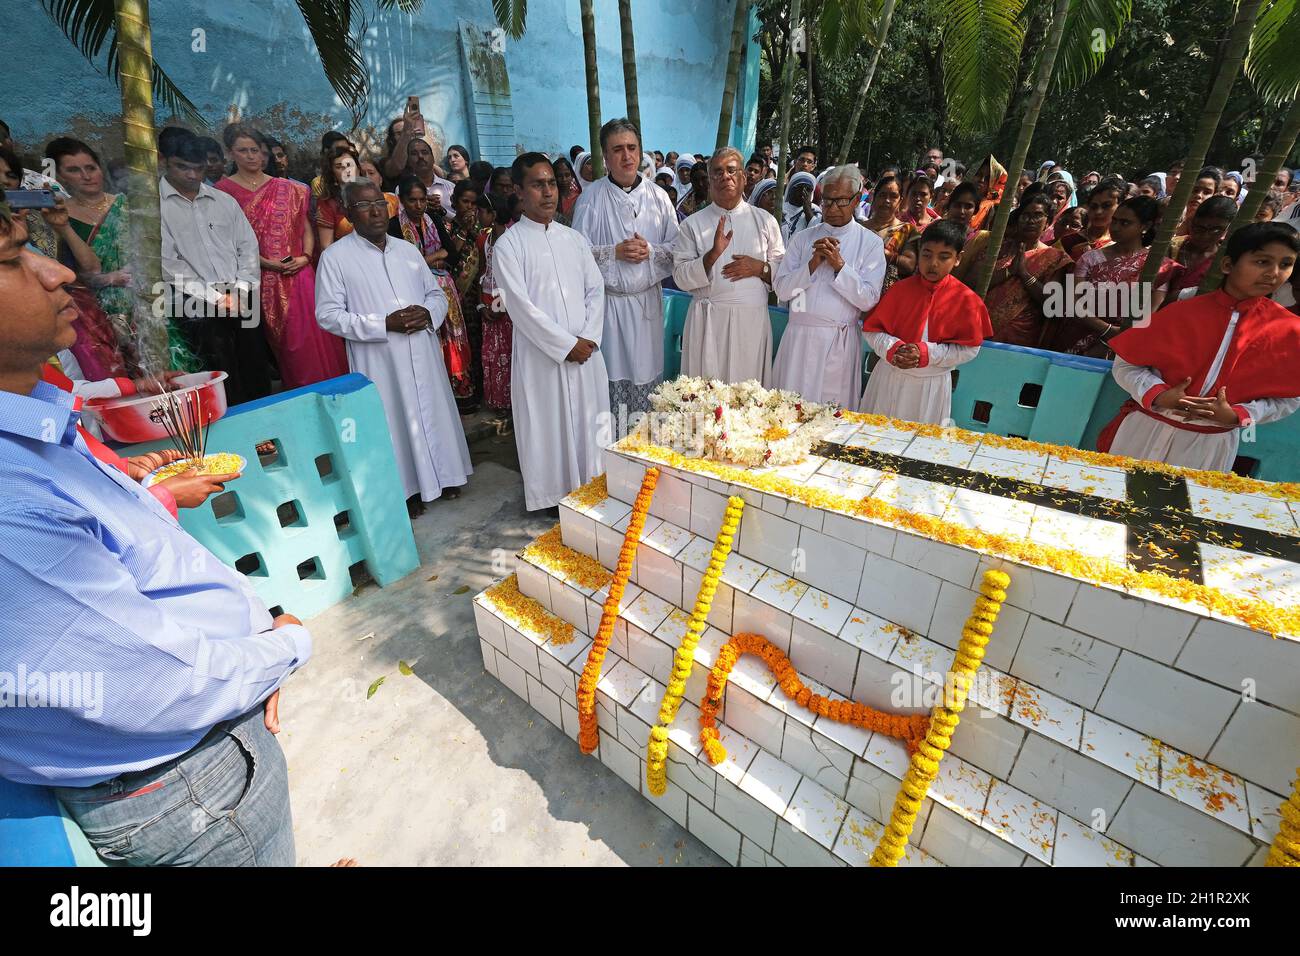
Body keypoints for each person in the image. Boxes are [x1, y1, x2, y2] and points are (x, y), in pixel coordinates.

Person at [0, 198, 316, 867]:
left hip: (198, 752)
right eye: (12, 259)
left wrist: (149, 494)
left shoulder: (31, 416)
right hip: (184, 783)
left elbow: (97, 556)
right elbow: (155, 680)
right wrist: (283, 644)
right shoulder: (8, 499)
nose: (56, 275)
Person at [316, 181, 472, 512]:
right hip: (379, 356)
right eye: (363, 206)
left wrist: (428, 313)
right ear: (348, 213)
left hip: (422, 346)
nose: (374, 211)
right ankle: (407, 491)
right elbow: (327, 316)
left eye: (379, 204)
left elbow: (434, 294)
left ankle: (446, 476)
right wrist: (382, 324)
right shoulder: (335, 258)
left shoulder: (407, 250)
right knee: (392, 421)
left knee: (433, 410)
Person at [1098, 222, 1300, 470]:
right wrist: (1160, 394)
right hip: (1145, 429)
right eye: (1262, 262)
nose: (1274, 273)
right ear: (1227, 265)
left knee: (1186, 506)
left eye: (1286, 264)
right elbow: (1125, 366)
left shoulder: (1289, 330)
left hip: (1211, 445)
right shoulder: (1181, 312)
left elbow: (1289, 399)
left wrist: (1239, 414)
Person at [493, 153, 609, 515]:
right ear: (519, 191)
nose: (548, 192)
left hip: (586, 352)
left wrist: (588, 337)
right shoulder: (508, 246)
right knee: (548, 424)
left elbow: (596, 289)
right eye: (537, 184)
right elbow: (520, 307)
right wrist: (565, 344)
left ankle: (592, 485)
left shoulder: (574, 239)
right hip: (543, 357)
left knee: (589, 422)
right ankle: (552, 497)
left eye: (552, 184)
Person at [213, 127, 346, 389]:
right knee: (290, 347)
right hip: (259, 278)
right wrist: (266, 263)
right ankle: (304, 395)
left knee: (320, 336)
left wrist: (306, 257)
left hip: (300, 274)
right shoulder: (221, 193)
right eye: (243, 151)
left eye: (256, 151)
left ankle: (340, 390)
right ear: (231, 153)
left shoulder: (291, 189)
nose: (251, 157)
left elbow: (305, 226)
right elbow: (228, 242)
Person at [573, 118, 679, 433]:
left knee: (647, 378)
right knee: (612, 380)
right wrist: (613, 252)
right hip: (610, 309)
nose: (627, 156)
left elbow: (677, 249)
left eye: (632, 148)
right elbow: (576, 256)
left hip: (646, 304)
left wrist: (652, 251)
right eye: (617, 150)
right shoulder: (590, 200)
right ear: (605, 157)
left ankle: (643, 448)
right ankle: (612, 451)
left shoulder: (659, 198)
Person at [159, 134, 273, 405]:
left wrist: (241, 289)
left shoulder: (223, 201)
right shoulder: (154, 207)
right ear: (162, 161)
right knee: (218, 372)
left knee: (256, 365)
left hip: (241, 294)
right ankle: (232, 431)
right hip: (193, 302)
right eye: (182, 166)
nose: (191, 174)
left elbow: (247, 247)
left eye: (198, 168)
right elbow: (168, 263)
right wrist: (217, 298)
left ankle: (267, 427)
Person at [770, 165, 884, 407]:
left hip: (838, 341)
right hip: (798, 338)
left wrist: (840, 266)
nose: (832, 208)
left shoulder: (871, 243)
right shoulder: (803, 239)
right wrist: (811, 265)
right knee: (788, 411)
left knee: (830, 416)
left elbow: (868, 299)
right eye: (827, 201)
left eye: (840, 201)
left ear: (856, 200)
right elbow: (781, 289)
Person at [858, 220, 991, 424]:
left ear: (958, 259)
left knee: (917, 444)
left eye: (944, 257)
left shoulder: (967, 300)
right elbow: (871, 331)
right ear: (919, 252)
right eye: (927, 255)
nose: (933, 263)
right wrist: (893, 348)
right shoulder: (899, 290)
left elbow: (970, 349)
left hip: (931, 384)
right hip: (889, 376)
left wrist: (927, 353)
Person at [673, 147, 785, 385]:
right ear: (710, 181)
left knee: (747, 396)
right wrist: (712, 255)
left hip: (751, 325)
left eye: (732, 170)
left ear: (744, 177)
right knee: (706, 397)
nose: (726, 177)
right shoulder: (692, 224)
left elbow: (784, 276)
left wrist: (760, 268)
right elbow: (680, 277)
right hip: (708, 324)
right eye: (718, 172)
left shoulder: (765, 221)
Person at [1043, 195, 1176, 356]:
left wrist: (1117, 336)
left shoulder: (1159, 267)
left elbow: (1150, 314)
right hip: (1074, 340)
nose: (1115, 227)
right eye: (1115, 220)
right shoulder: (1090, 258)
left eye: (1125, 223)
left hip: (1123, 347)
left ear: (1145, 226)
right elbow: (1073, 302)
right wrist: (1108, 330)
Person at [45, 137, 138, 368]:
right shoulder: (54, 215)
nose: (86, 176)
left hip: (140, 300)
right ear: (59, 177)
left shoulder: (127, 204)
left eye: (91, 168)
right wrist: (107, 279)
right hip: (91, 313)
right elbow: (85, 270)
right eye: (74, 170)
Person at [388, 174, 475, 412]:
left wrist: (425, 259)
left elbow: (452, 254)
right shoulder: (394, 227)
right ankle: (436, 396)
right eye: (412, 200)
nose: (418, 206)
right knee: (429, 340)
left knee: (453, 337)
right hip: (413, 289)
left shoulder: (434, 219)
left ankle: (461, 394)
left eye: (422, 200)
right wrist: (434, 258)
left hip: (444, 288)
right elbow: (400, 264)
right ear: (402, 201)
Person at [972, 193, 1072, 347]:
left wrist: (1024, 274)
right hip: (977, 328)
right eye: (1025, 215)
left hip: (1019, 339)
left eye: (1038, 215)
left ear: (1048, 222)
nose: (1031, 220)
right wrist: (1008, 272)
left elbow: (1054, 305)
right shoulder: (997, 249)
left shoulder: (1054, 258)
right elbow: (972, 282)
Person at [315, 142, 398, 253]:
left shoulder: (386, 198)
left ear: (358, 169)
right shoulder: (328, 203)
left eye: (349, 165)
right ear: (332, 173)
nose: (346, 170)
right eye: (339, 167)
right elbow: (327, 246)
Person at [477, 194, 513, 416]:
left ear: (493, 215)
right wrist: (483, 306)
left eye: (482, 211)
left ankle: (510, 401)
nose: (478, 215)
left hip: (507, 309)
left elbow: (513, 281)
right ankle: (498, 400)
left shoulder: (510, 241)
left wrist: (499, 308)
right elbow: (484, 273)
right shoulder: (485, 240)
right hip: (489, 304)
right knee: (492, 355)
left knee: (508, 355)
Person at [1165, 195, 1237, 301]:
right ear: (1191, 222)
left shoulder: (1224, 262)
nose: (1205, 235)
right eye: (1199, 228)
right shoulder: (1170, 247)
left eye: (1215, 230)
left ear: (1227, 230)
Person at [1058, 175, 1125, 262]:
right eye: (1094, 206)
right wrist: (1074, 264)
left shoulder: (1123, 245)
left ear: (1120, 207)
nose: (1098, 211)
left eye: (1106, 206)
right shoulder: (1069, 241)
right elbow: (1064, 275)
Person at [404, 138, 455, 216]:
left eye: (424, 152)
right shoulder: (403, 189)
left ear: (433, 158)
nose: (420, 156)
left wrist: (441, 210)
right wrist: (423, 207)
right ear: (408, 161)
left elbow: (459, 219)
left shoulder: (451, 187)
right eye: (414, 153)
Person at [968, 155, 1008, 231]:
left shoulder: (993, 208)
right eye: (979, 175)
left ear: (994, 183)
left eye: (987, 178)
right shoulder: (958, 195)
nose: (981, 180)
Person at [782, 170, 819, 240]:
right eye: (799, 188)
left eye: (808, 189)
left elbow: (817, 232)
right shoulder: (780, 208)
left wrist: (808, 210)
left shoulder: (815, 210)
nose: (803, 192)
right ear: (791, 189)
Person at [553, 155, 582, 224]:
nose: (564, 179)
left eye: (567, 175)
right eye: (559, 176)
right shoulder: (551, 199)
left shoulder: (579, 198)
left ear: (572, 176)